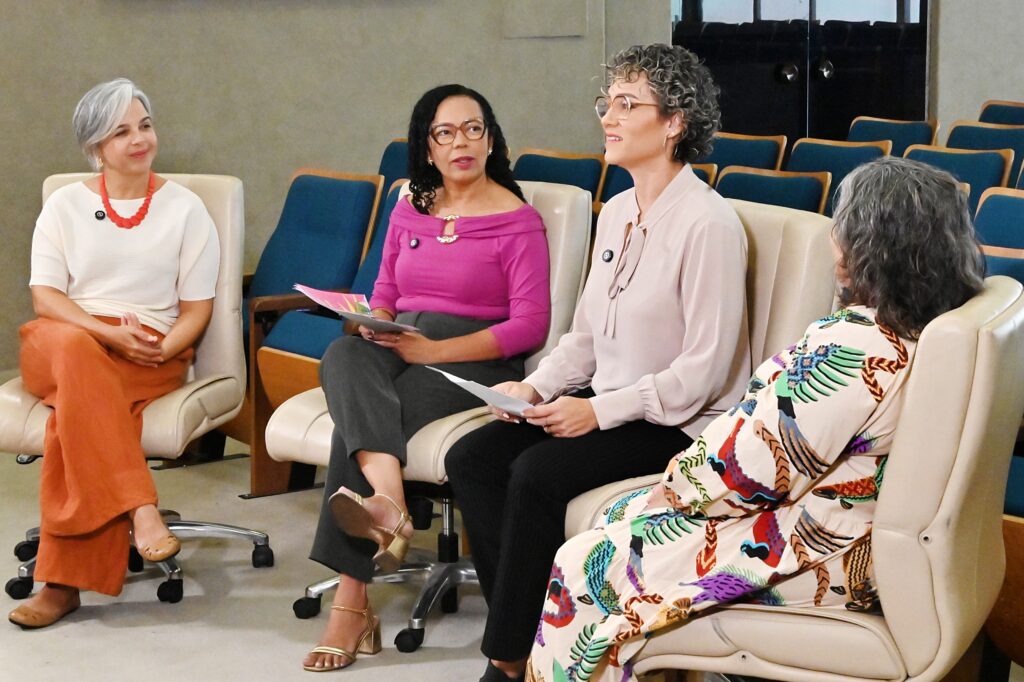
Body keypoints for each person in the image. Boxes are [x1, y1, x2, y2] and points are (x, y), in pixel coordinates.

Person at [526, 156, 987, 682]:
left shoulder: (856, 346)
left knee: (581, 565)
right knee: (616, 520)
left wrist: (673, 487)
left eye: (843, 225)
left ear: (868, 244)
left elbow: (750, 472)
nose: (834, 238)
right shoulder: (922, 322)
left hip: (814, 549)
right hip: (839, 524)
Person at [444, 44, 751, 682]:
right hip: (608, 405)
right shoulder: (614, 212)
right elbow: (583, 336)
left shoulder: (708, 225)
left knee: (534, 473)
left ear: (675, 123)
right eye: (606, 103)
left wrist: (595, 412)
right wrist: (531, 388)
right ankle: (530, 634)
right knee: (470, 458)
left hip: (679, 424)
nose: (608, 117)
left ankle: (506, 662)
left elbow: (702, 373)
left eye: (627, 104)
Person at [303, 84, 551, 672]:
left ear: (490, 140)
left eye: (473, 128)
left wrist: (434, 349)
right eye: (445, 132)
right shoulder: (410, 205)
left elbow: (529, 325)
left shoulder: (519, 221)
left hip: (472, 355)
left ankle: (352, 600)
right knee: (342, 357)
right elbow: (386, 292)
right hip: (401, 342)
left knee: (357, 428)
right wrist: (377, 324)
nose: (460, 142)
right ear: (428, 147)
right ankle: (388, 499)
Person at [8, 79, 220, 629]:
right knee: (79, 353)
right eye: (121, 131)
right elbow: (46, 296)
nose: (138, 139)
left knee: (69, 424)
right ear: (95, 147)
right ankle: (139, 506)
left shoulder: (186, 209)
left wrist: (163, 348)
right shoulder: (64, 205)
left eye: (144, 125)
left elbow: (197, 308)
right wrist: (103, 334)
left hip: (148, 349)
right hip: (63, 337)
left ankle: (61, 585)